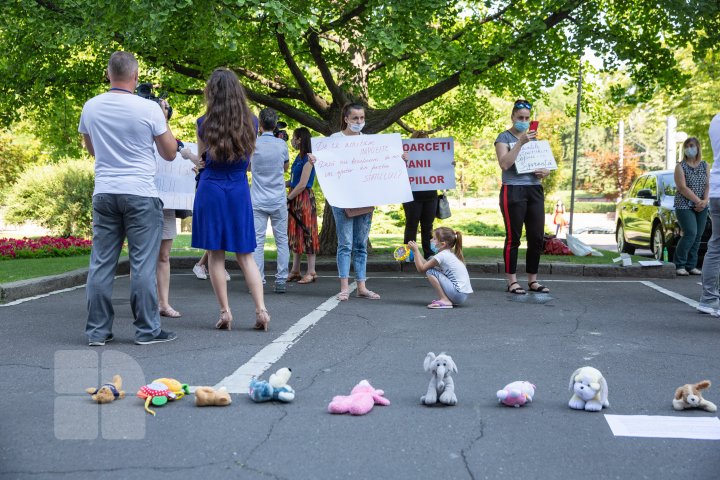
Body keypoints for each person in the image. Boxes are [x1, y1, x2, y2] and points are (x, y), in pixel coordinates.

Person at [78, 51, 177, 345]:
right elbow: (170, 152)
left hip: (105, 192)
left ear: (109, 75)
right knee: (143, 264)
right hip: (140, 194)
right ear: (134, 76)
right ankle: (147, 330)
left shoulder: (91, 107)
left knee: (101, 263)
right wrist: (162, 116)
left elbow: (92, 149)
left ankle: (97, 331)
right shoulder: (148, 110)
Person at [191, 68, 270, 331]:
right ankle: (261, 310)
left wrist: (197, 163)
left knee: (216, 255)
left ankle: (225, 312)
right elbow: (247, 160)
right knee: (245, 255)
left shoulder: (203, 123)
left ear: (211, 93)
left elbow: (203, 161)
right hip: (237, 188)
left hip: (211, 187)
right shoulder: (253, 122)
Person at [495, 99, 551, 295]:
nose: (524, 121)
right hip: (513, 190)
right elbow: (505, 164)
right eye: (520, 118)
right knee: (514, 237)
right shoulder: (503, 137)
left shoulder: (535, 139)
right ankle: (512, 281)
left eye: (527, 118)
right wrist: (520, 142)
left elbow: (545, 165)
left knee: (536, 237)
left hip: (534, 189)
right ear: (513, 117)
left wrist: (546, 172)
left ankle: (533, 280)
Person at [329, 103, 381, 301]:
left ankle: (361, 286)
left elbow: (382, 163)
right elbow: (326, 164)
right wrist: (315, 159)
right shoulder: (334, 140)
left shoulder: (370, 142)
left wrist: (399, 158)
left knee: (360, 244)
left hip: (365, 198)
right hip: (341, 199)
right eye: (355, 118)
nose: (359, 122)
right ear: (346, 119)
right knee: (345, 243)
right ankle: (344, 287)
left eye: (361, 118)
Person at [251, 108, 291, 293]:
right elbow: (285, 167)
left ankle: (258, 280)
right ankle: (281, 279)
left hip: (258, 198)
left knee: (258, 242)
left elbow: (249, 167)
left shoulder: (253, 144)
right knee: (281, 240)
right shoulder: (281, 145)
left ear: (260, 123)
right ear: (275, 124)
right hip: (277, 199)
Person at [180, 147, 232, 282]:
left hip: (218, 186)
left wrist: (189, 155)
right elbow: (204, 161)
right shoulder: (219, 141)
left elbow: (203, 161)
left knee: (219, 230)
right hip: (214, 187)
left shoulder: (223, 141)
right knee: (215, 230)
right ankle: (207, 265)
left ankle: (203, 264)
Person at [408, 227, 473, 309]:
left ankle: (445, 300)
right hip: (461, 295)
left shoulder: (442, 255)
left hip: (457, 294)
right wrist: (416, 253)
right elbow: (426, 264)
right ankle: (446, 300)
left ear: (443, 244)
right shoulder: (447, 253)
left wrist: (415, 251)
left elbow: (421, 269)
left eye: (434, 239)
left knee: (430, 271)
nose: (431, 240)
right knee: (432, 269)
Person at [286, 127, 320, 284]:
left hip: (303, 199)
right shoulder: (298, 158)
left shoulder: (308, 159)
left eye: (294, 137)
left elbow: (303, 184)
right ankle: (295, 270)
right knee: (296, 233)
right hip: (295, 197)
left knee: (308, 232)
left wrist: (288, 198)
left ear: (300, 139)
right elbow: (294, 181)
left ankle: (311, 271)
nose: (292, 140)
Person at [673, 137, 709, 276]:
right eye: (687, 146)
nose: (689, 148)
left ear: (698, 147)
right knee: (690, 233)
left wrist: (705, 201)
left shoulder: (705, 165)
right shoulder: (680, 166)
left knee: (698, 236)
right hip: (684, 205)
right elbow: (682, 187)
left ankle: (691, 265)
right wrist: (697, 201)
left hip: (702, 205)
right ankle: (679, 264)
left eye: (692, 145)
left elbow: (707, 185)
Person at [403, 132, 439, 260]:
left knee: (428, 226)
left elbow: (442, 169)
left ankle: (429, 253)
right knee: (412, 225)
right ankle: (409, 255)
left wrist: (449, 165)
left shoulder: (435, 157)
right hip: (411, 196)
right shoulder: (405, 157)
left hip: (431, 196)